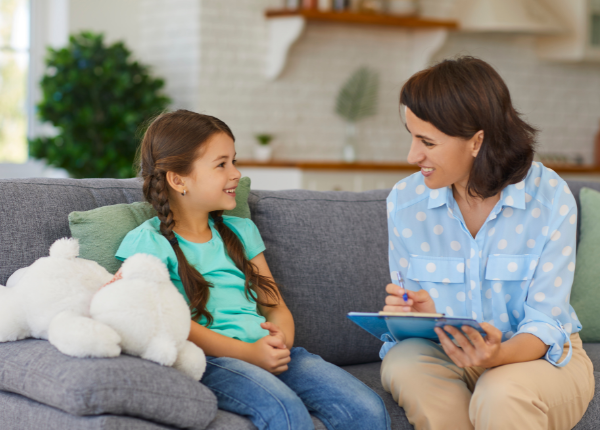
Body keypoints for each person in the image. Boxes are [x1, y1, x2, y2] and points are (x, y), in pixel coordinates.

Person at [115, 109, 390, 430]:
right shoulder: (147, 243)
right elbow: (172, 324)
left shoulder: (241, 231)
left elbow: (276, 307)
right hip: (213, 362)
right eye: (222, 164)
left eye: (234, 160)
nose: (236, 173)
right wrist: (249, 353)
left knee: (367, 407)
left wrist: (280, 342)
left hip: (268, 352)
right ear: (178, 180)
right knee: (285, 412)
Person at [381, 57, 594, 430]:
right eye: (411, 137)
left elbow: (545, 323)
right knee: (403, 362)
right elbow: (409, 318)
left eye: (427, 142)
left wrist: (496, 355)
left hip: (537, 360)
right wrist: (417, 315)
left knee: (500, 392)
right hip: (447, 353)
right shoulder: (404, 202)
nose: (412, 156)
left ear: (477, 141)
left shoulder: (548, 198)